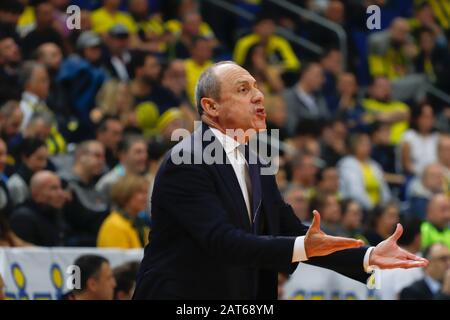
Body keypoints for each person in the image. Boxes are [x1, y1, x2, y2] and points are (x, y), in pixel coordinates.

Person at [133, 61, 427, 300]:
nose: (259, 96)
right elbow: (222, 241)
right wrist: (303, 248)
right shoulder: (187, 160)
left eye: (257, 88)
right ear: (211, 107)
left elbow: (288, 230)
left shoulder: (255, 161)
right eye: (243, 89)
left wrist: (368, 255)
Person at [62, 140, 109, 247]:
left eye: (103, 157)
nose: (102, 161)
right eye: (97, 156)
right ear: (81, 156)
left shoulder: (96, 185)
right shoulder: (63, 183)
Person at [9, 170, 67, 246]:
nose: (61, 194)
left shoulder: (53, 213)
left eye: (60, 188)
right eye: (54, 188)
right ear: (36, 193)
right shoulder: (22, 218)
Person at [337, 133, 391, 211]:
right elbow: (355, 192)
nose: (368, 147)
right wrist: (373, 209)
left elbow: (384, 190)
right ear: (354, 146)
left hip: (378, 209)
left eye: (369, 144)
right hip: (359, 208)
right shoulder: (347, 163)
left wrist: (385, 207)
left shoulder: (374, 165)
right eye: (363, 144)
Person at [97, 174, 150, 249]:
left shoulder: (139, 223)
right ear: (125, 194)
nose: (145, 197)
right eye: (141, 192)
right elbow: (119, 259)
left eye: (146, 192)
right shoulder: (114, 225)